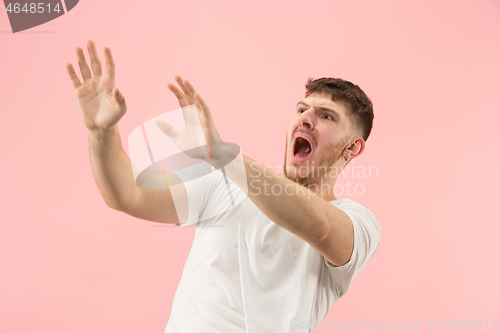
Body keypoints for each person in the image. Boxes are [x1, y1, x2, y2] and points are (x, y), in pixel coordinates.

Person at [66, 40, 381, 333]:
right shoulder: (224, 184)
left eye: (326, 116)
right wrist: (100, 132)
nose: (305, 120)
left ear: (351, 148)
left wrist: (224, 157)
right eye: (302, 109)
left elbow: (320, 228)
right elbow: (127, 194)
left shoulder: (358, 222)